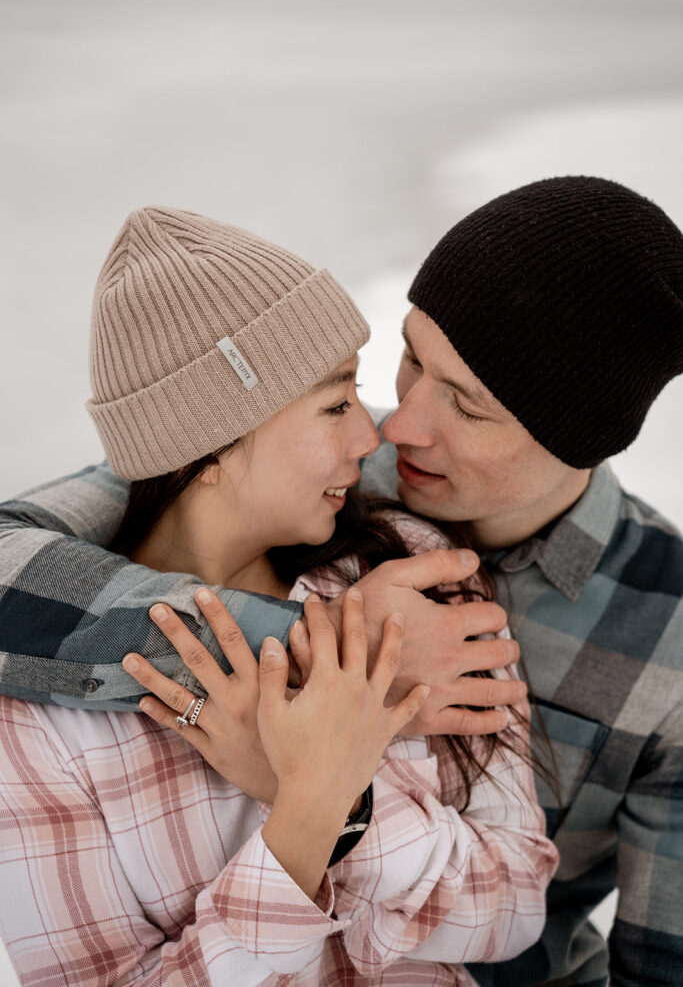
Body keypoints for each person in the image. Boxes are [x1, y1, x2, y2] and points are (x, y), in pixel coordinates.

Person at [1, 176, 681, 986]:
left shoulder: (654, 639)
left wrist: (319, 790)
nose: (392, 427)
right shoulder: (320, 490)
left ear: (574, 439)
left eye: (466, 407)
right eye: (410, 359)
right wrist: (326, 657)